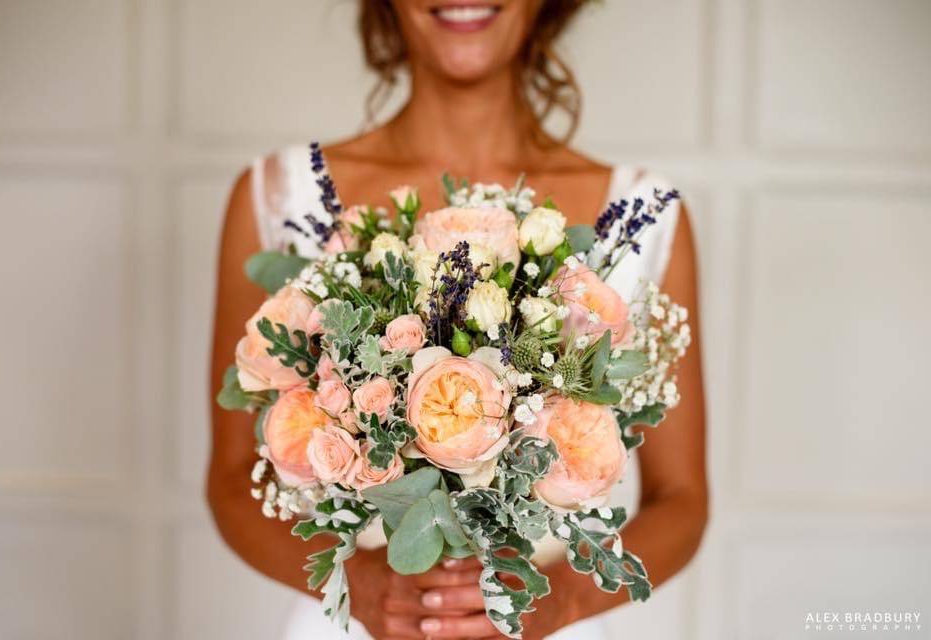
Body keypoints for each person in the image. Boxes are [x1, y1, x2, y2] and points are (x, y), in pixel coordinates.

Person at [208, 1, 707, 638]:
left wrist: (560, 602)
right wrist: (356, 584)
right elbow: (229, 482)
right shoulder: (278, 198)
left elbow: (683, 501)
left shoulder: (645, 213)